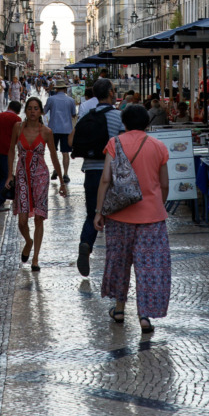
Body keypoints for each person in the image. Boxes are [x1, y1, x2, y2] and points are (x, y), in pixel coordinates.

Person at [94, 104, 171, 334]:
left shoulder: (115, 144)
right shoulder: (159, 147)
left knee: (119, 262)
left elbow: (106, 180)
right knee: (149, 266)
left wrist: (99, 211)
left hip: (119, 216)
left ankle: (119, 308)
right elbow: (165, 184)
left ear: (124, 123)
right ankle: (144, 316)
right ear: (147, 123)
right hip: (152, 217)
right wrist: (158, 203)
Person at [68, 77, 124, 277]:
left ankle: (86, 243)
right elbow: (125, 144)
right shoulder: (118, 116)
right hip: (112, 171)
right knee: (117, 216)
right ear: (110, 93)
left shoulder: (87, 116)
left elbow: (71, 140)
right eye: (114, 89)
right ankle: (116, 259)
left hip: (91, 171)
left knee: (93, 213)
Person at [6, 96, 66, 271]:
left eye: (36, 108)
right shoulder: (18, 128)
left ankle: (36, 259)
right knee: (22, 220)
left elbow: (54, 157)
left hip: (40, 176)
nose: (33, 111)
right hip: (22, 175)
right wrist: (9, 175)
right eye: (30, 108)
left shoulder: (47, 132)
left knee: (39, 217)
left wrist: (61, 181)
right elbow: (11, 150)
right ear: (26, 111)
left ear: (41, 111)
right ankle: (28, 241)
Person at [0, 100, 21, 211]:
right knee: (6, 176)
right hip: (5, 150)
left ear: (9, 106)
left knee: (0, 175)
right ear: (19, 111)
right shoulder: (17, 119)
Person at [43, 79, 76, 183]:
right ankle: (65, 174)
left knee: (54, 152)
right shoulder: (71, 100)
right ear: (65, 89)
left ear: (56, 89)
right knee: (65, 152)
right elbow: (74, 114)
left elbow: (44, 111)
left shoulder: (51, 99)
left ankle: (56, 170)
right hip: (67, 129)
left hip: (53, 129)